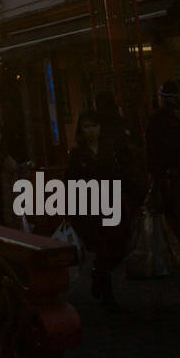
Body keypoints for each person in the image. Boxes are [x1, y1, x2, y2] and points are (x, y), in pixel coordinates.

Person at [66, 110, 146, 312]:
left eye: (94, 125)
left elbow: (125, 174)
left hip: (113, 204)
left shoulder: (112, 149)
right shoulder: (77, 154)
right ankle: (106, 291)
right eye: (87, 126)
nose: (91, 130)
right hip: (90, 208)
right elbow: (70, 183)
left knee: (119, 246)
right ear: (80, 129)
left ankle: (98, 276)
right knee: (103, 248)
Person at [145, 81, 180, 245]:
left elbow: (151, 147)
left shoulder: (156, 118)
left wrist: (153, 171)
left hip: (165, 169)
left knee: (171, 206)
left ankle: (175, 239)